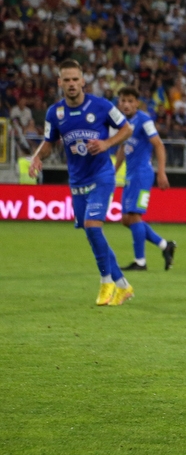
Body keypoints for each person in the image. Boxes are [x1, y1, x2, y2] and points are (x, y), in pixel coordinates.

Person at [29, 59, 136, 306]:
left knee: (91, 224)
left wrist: (108, 144)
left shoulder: (101, 106)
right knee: (91, 232)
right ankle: (123, 286)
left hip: (102, 176)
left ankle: (106, 281)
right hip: (77, 181)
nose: (71, 84)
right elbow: (48, 143)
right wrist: (36, 159)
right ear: (59, 82)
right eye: (66, 80)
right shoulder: (54, 113)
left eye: (75, 79)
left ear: (83, 81)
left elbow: (127, 129)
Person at [115, 87, 177, 271]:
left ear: (137, 103)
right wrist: (113, 170)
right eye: (123, 100)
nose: (126, 104)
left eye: (130, 101)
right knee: (126, 219)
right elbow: (121, 148)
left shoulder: (144, 120)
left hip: (142, 174)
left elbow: (158, 144)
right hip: (130, 175)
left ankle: (140, 262)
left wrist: (162, 172)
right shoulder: (123, 123)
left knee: (134, 216)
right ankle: (165, 245)